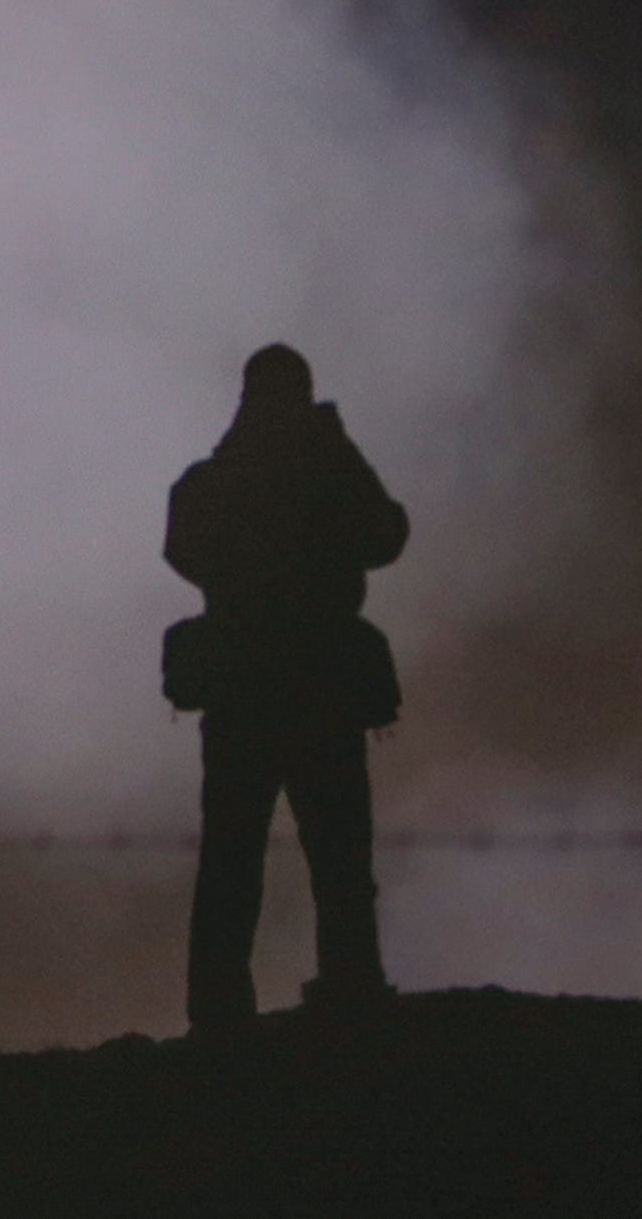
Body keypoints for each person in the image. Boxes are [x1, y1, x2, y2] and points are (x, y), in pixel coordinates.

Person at [165, 342, 407, 1038]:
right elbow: (385, 532)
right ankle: (350, 986)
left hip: (242, 687)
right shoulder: (325, 472)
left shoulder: (216, 477)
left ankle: (217, 1009)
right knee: (337, 858)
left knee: (230, 860)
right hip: (320, 686)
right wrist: (334, 450)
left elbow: (181, 545)